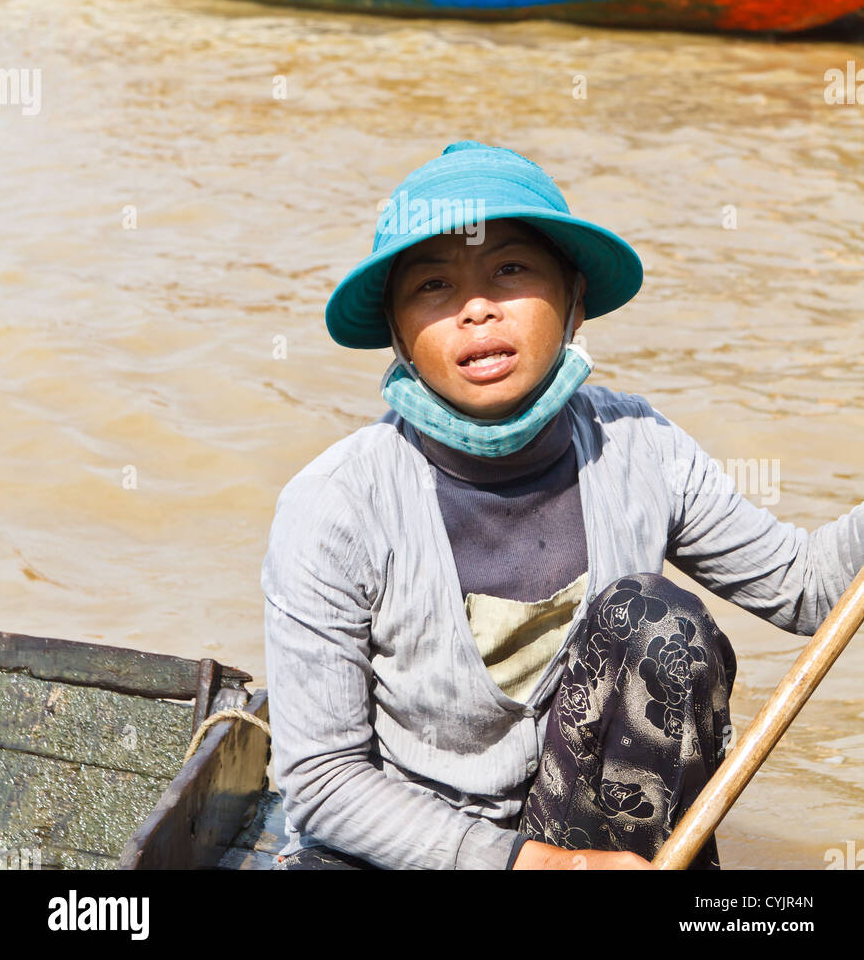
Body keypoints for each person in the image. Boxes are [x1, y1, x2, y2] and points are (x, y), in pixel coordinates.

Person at [261, 141, 864, 870]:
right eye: (433, 287)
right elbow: (323, 783)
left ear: (574, 299)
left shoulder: (641, 448)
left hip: (587, 837)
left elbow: (807, 590)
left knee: (657, 619)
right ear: (397, 333)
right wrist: (530, 865)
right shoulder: (335, 506)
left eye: (510, 271)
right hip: (399, 853)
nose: (477, 310)